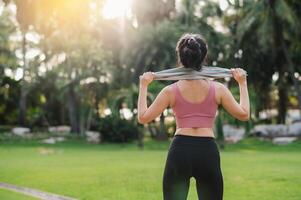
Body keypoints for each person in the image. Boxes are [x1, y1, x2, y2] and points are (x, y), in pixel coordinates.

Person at [137, 33, 250, 200]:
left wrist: (143, 85)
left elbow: (143, 117)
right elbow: (244, 114)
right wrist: (242, 83)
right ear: (203, 56)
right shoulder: (218, 89)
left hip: (180, 151)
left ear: (181, 58)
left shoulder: (170, 91)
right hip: (207, 151)